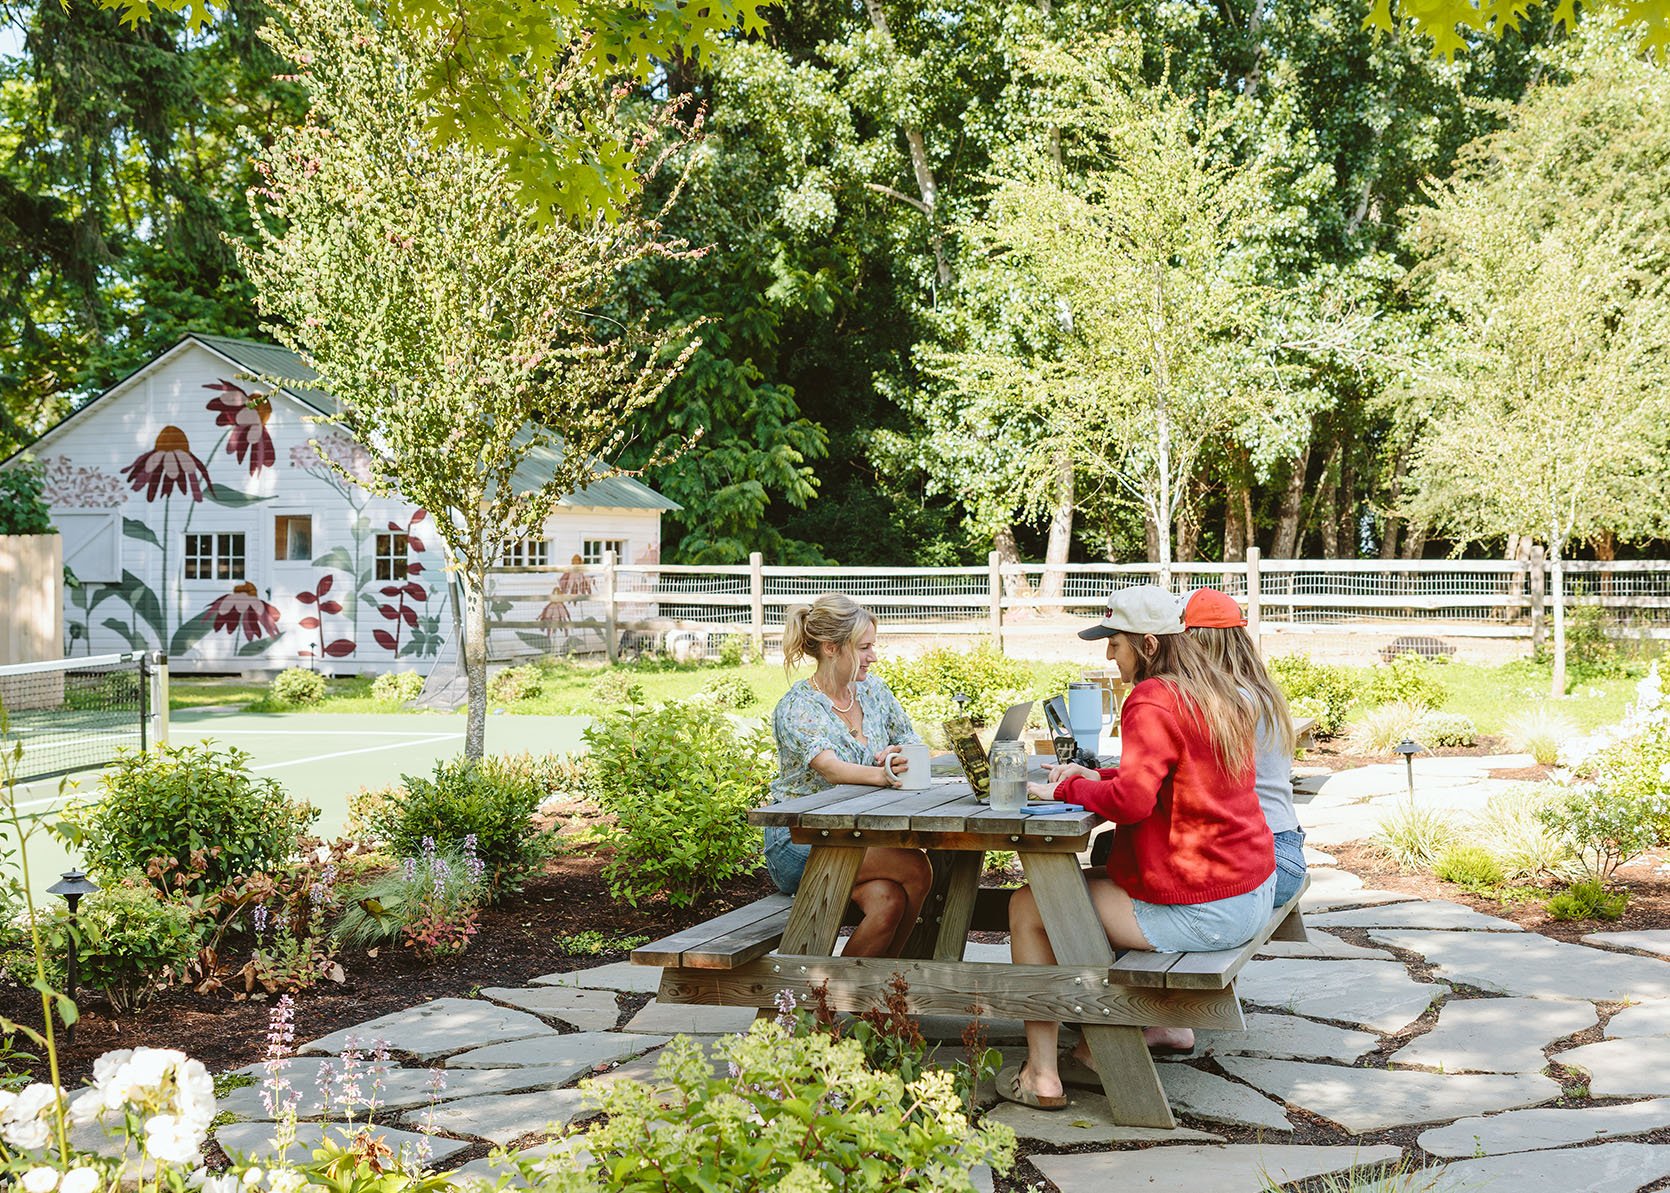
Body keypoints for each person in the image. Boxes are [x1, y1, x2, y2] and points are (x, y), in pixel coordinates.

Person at [999, 584, 1275, 1110]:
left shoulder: (1151, 698)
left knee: (1030, 905)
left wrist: (1065, 789)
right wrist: (1095, 775)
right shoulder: (1214, 689)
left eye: (1115, 643)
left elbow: (1131, 802)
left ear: (1148, 644)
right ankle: (1098, 1034)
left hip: (1208, 910)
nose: (1109, 655)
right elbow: (1173, 776)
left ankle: (1041, 1073)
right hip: (1249, 893)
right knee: (1077, 888)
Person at [764, 594, 934, 958]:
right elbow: (831, 769)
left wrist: (899, 753)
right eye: (864, 647)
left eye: (873, 646)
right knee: (916, 868)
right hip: (800, 838)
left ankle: (852, 990)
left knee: (887, 901)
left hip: (858, 833)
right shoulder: (798, 706)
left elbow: (911, 741)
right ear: (831, 648)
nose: (874, 656)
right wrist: (883, 774)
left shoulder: (874, 691)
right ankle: (892, 981)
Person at [1183, 587, 1308, 908]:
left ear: (1197, 642)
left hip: (1267, 860)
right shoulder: (1258, 690)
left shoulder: (1231, 702)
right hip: (1283, 847)